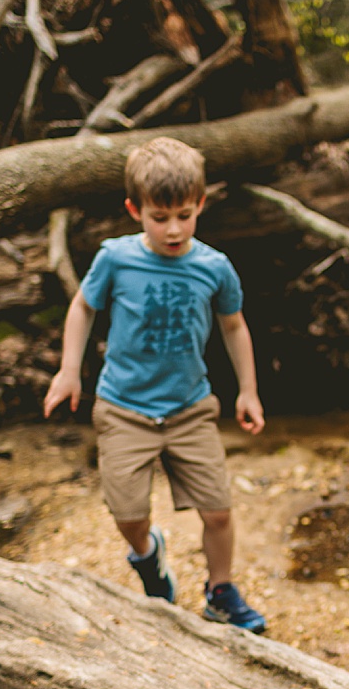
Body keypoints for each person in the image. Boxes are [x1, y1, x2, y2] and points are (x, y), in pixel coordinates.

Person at [44, 136, 268, 632]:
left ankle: (221, 590)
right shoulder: (115, 260)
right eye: (159, 217)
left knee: (218, 510)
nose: (173, 229)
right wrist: (68, 370)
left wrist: (246, 390)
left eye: (185, 216)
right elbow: (82, 307)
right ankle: (148, 554)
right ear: (134, 209)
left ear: (201, 205)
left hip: (190, 408)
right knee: (126, 512)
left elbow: (234, 326)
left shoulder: (213, 267)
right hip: (123, 408)